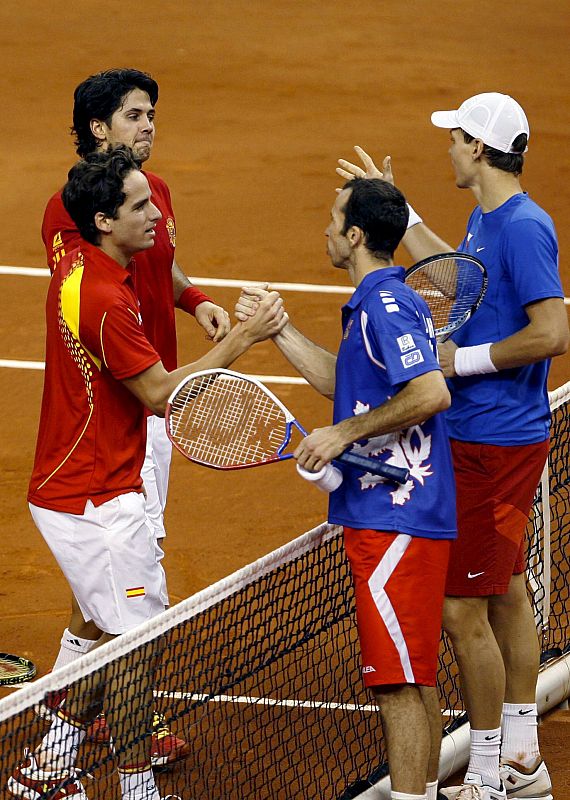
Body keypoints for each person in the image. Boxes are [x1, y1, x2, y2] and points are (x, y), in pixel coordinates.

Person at [8, 146, 286, 800]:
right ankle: (134, 790)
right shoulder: (104, 297)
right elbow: (162, 394)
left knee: (105, 625)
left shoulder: (84, 265)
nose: (156, 213)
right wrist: (243, 339)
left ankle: (48, 766)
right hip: (95, 498)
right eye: (140, 206)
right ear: (105, 219)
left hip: (87, 484)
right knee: (137, 647)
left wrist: (189, 297)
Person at [336, 93, 569, 800]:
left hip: (490, 441)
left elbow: (551, 333)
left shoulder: (524, 227)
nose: (448, 148)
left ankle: (495, 774)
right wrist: (403, 219)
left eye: (456, 138)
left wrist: (456, 363)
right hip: (488, 435)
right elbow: (462, 282)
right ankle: (522, 755)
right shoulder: (488, 218)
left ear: (478, 148)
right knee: (502, 591)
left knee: (464, 610)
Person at [237, 178, 457, 800]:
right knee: (412, 675)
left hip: (395, 522)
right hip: (398, 517)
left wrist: (344, 433)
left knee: (397, 684)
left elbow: (429, 393)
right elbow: (350, 380)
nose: (327, 230)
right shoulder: (388, 299)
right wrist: (279, 331)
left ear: (355, 235)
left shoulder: (383, 306)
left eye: (334, 219)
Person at [40, 68, 231, 763]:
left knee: (113, 581)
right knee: (128, 580)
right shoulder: (70, 212)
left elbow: (164, 264)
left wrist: (194, 300)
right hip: (122, 407)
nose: (149, 125)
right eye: (134, 115)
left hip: (157, 404)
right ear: (98, 127)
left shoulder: (152, 195)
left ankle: (75, 710)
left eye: (152, 114)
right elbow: (85, 292)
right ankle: (102, 723)